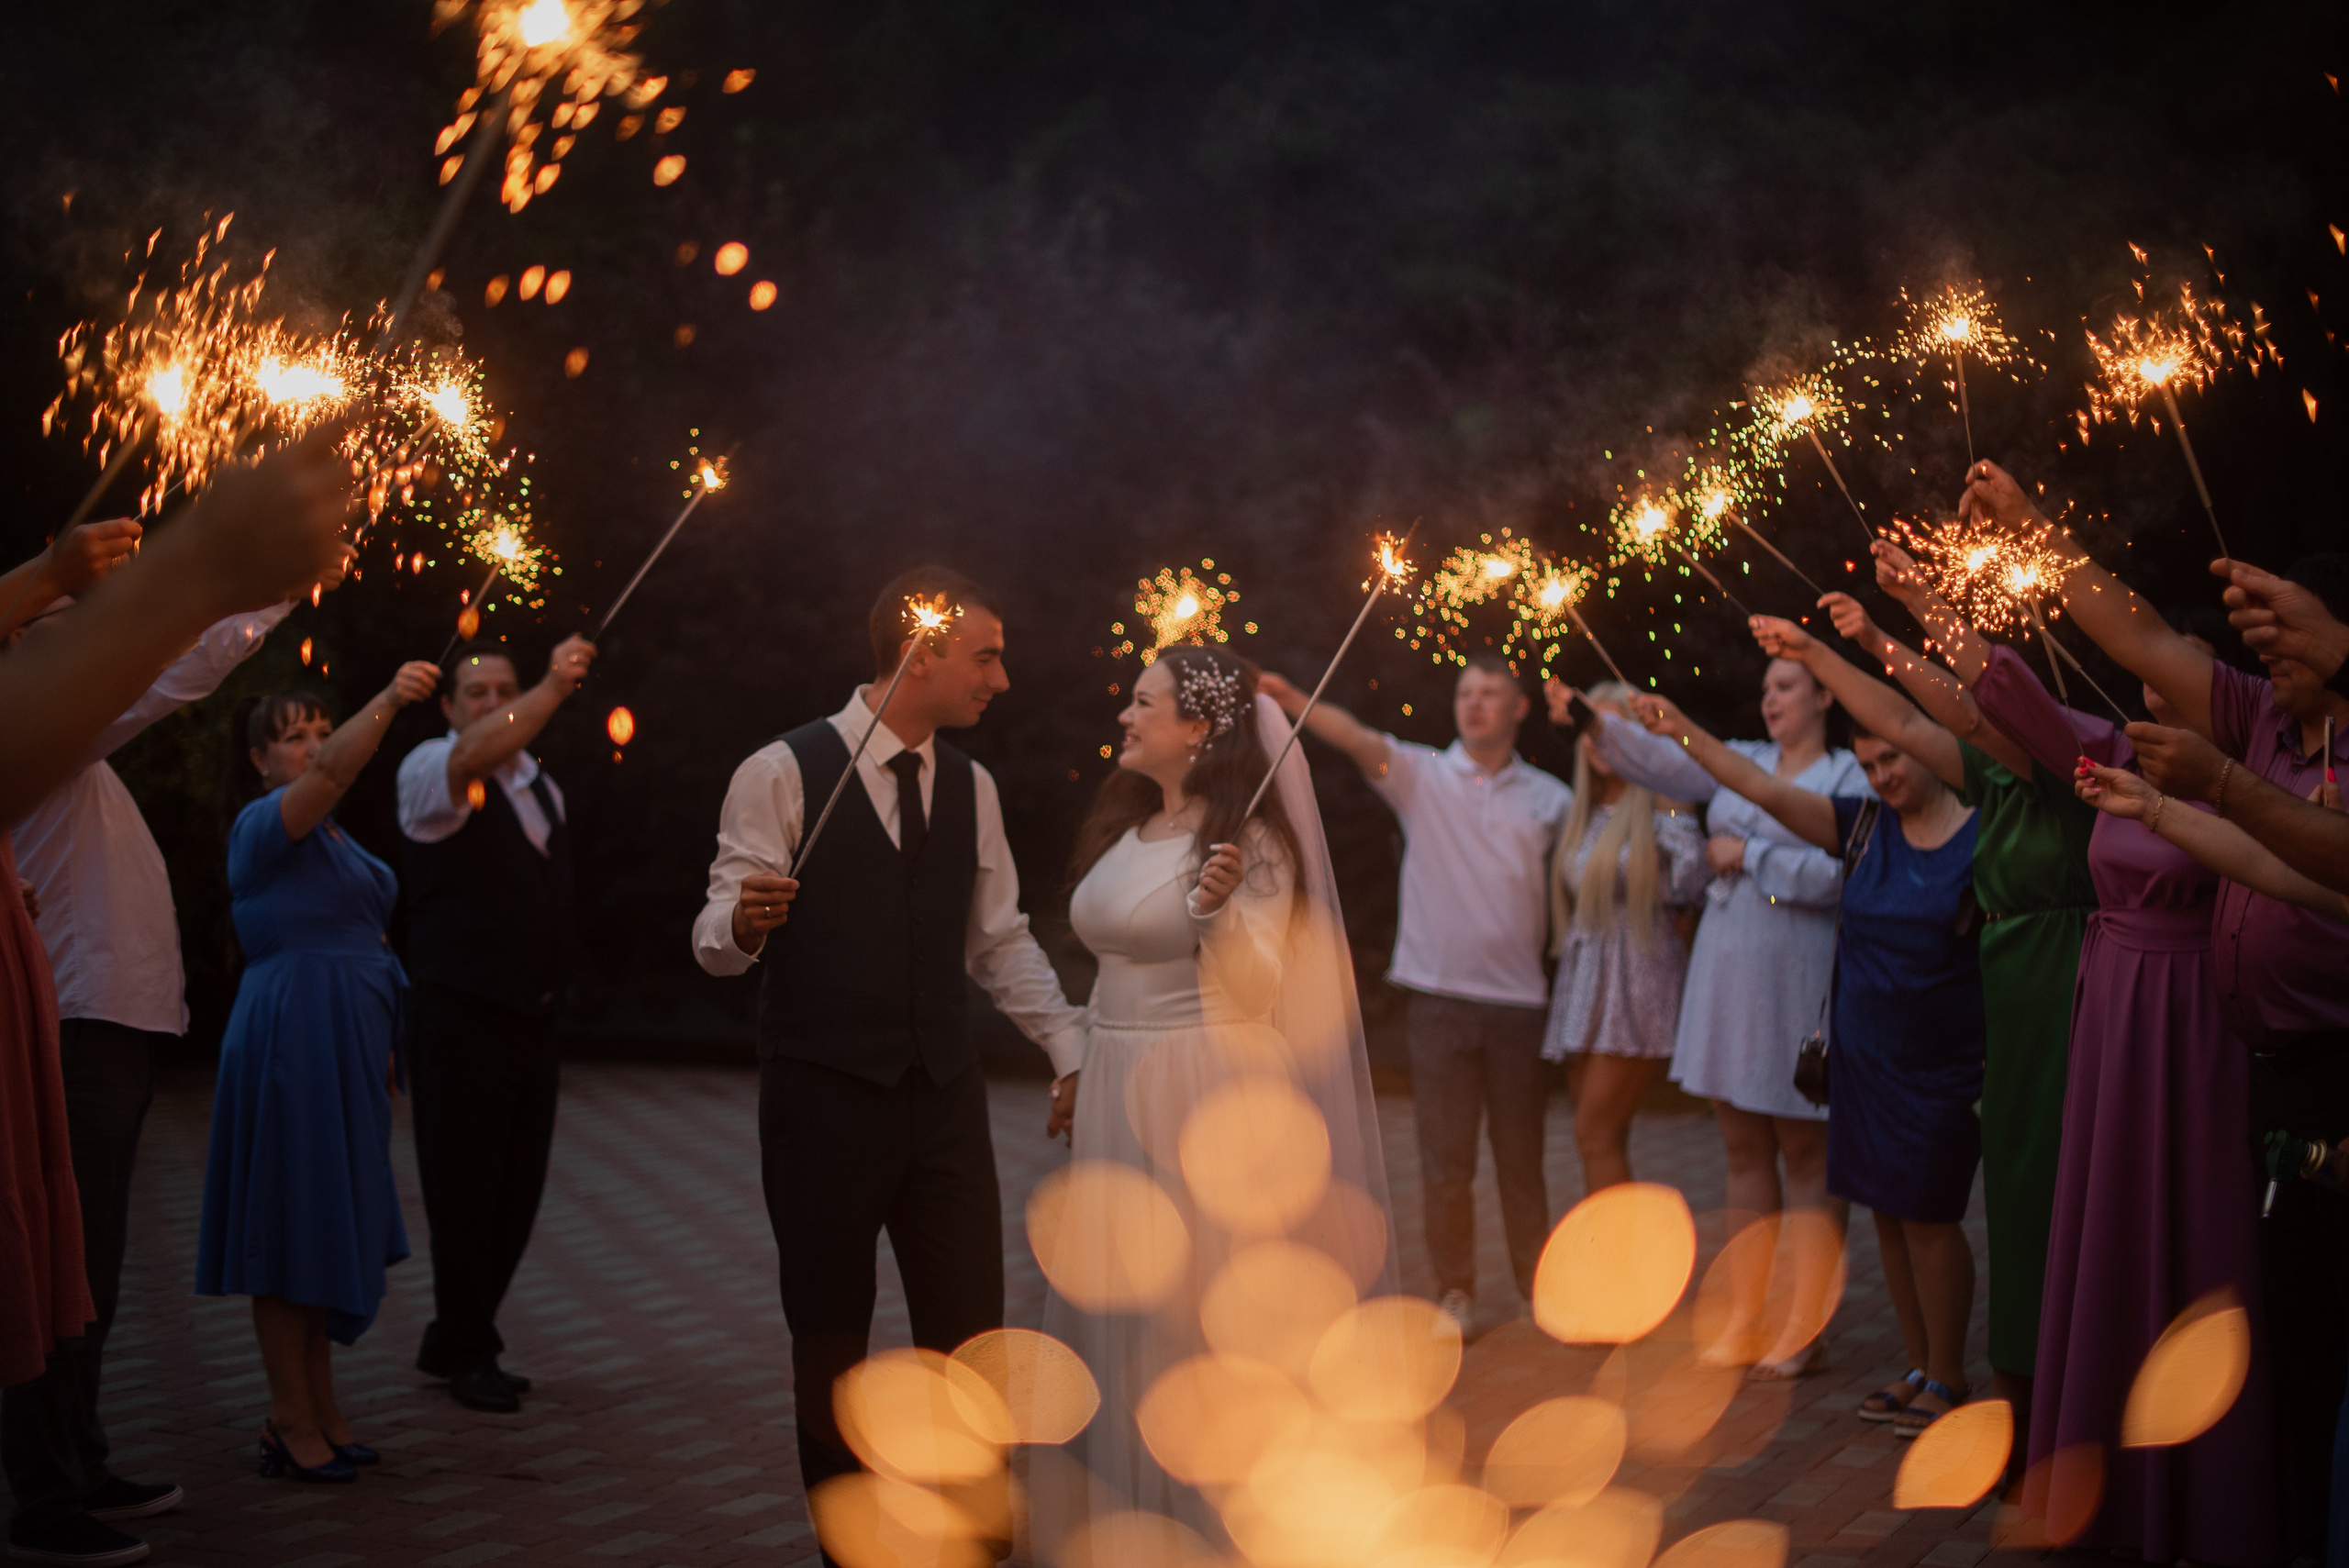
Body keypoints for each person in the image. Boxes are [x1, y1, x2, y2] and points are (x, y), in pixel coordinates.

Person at [1965, 459, 2349, 1551]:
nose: (2259, 645)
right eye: (2257, 624)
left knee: (2314, 1355)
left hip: (2328, 1068)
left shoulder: (2263, 750)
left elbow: (2323, 869)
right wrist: (2030, 524)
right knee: (2285, 1332)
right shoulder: (2263, 719)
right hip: (2270, 1076)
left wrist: (2210, 794)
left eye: (2287, 624)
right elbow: (2135, 637)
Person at [1, 434, 352, 1567]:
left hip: (106, 1019)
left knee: (88, 1265)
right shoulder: (47, 732)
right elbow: (179, 670)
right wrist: (263, 582)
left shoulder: (69, 744)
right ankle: (49, 1496)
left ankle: (82, 1454)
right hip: (70, 1018)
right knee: (62, 1261)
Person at [691, 567, 1089, 1534]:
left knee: (969, 1332)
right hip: (821, 1099)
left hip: (942, 1097)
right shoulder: (780, 771)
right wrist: (742, 921)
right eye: (985, 655)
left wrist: (1069, 1045)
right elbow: (712, 940)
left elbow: (996, 939)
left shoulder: (971, 784)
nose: (1001, 678)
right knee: (830, 1337)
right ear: (921, 653)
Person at [1030, 646, 1392, 1551]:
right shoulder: (1129, 826)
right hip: (1114, 1079)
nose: (1125, 715)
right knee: (1114, 1295)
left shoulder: (1251, 846)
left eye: (1142, 702)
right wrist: (1077, 1063)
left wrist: (1216, 911)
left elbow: (1266, 987)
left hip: (1197, 1087)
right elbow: (1110, 972)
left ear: (1196, 727)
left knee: (1184, 1310)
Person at [1776, 562, 2098, 1440]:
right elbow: (1904, 716)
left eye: (1990, 706)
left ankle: (2026, 1391)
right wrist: (1845, 643)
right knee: (1982, 1210)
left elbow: (1935, 709)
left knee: (2041, 1204)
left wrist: (1905, 615)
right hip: (1959, 1017)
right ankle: (1978, 1382)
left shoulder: (2082, 775)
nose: (1971, 715)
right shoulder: (1995, 778)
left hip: (2047, 995)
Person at [1635, 691, 1982, 1437]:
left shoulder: (1981, 838)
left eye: (1892, 757)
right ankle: (1919, 1365)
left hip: (1940, 1057)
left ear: (1928, 745)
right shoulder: (1861, 825)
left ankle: (1951, 1373)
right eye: (1868, 764)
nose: (1881, 775)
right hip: (1863, 1053)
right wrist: (1682, 726)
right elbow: (1758, 786)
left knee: (1928, 1215)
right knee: (1887, 1216)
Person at [1562, 656, 1867, 1379]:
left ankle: (1805, 1319)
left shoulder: (1848, 776)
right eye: (1763, 688)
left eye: (1785, 686)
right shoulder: (1746, 759)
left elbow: (1846, 868)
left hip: (1797, 966)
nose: (1770, 699)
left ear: (1825, 694)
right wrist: (1588, 716)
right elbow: (1663, 762)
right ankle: (1745, 1308)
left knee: (1804, 1152)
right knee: (1741, 1149)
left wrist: (1754, 855)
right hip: (1729, 968)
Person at [1259, 654, 1569, 1336]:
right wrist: (1291, 693)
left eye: (1491, 693)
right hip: (1437, 999)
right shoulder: (1424, 776)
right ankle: (1455, 1291)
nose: (1476, 703)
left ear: (1519, 708)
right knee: (1445, 1160)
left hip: (1520, 1002)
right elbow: (1359, 738)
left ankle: (1537, 1288)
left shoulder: (1550, 798)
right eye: (1466, 692)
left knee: (1523, 1159)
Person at [196, 660, 442, 1485]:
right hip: (292, 1035)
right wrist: (388, 697)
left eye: (315, 730)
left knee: (327, 1214)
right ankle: (287, 1415)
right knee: (290, 1216)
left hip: (344, 1037)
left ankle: (322, 1407)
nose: (312, 747)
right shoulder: (267, 824)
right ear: (261, 760)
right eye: (291, 737)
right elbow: (342, 764)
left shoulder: (333, 834)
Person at [395, 634, 596, 1414]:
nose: (493, 702)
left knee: (517, 1187)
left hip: (531, 1018)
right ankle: (468, 1349)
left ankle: (455, 1332)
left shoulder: (540, 784)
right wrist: (549, 683)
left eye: (503, 687)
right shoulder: (430, 770)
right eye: (476, 692)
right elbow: (473, 753)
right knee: (463, 1187)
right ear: (448, 707)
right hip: (459, 1015)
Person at [1536, 681, 1706, 1194]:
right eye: (1589, 730)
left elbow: (1694, 876)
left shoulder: (1660, 805)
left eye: (1609, 730)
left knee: (1596, 1132)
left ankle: (1620, 1270)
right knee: (1595, 1136)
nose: (1596, 741)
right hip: (1586, 979)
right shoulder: (1582, 811)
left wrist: (1669, 790)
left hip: (1636, 977)